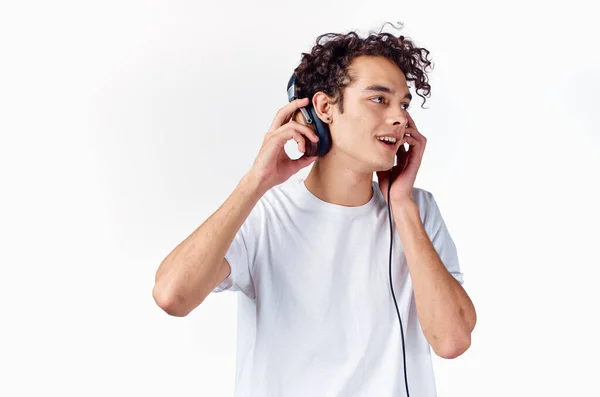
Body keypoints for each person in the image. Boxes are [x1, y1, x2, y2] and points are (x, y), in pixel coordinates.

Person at [153, 24, 477, 397]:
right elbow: (172, 295)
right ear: (325, 107)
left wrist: (401, 207)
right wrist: (254, 183)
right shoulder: (266, 214)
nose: (400, 117)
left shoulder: (418, 210)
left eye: (404, 104)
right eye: (379, 99)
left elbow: (452, 341)